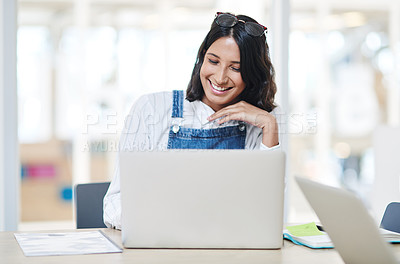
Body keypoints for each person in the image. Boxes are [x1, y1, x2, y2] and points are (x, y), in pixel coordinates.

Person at [103, 12, 282, 229]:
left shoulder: (261, 124)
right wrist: (174, 223)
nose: (220, 77)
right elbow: (114, 205)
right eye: (213, 61)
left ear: (252, 74)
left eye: (235, 68)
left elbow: (266, 214)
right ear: (201, 58)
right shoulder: (152, 108)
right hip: (162, 243)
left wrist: (270, 125)